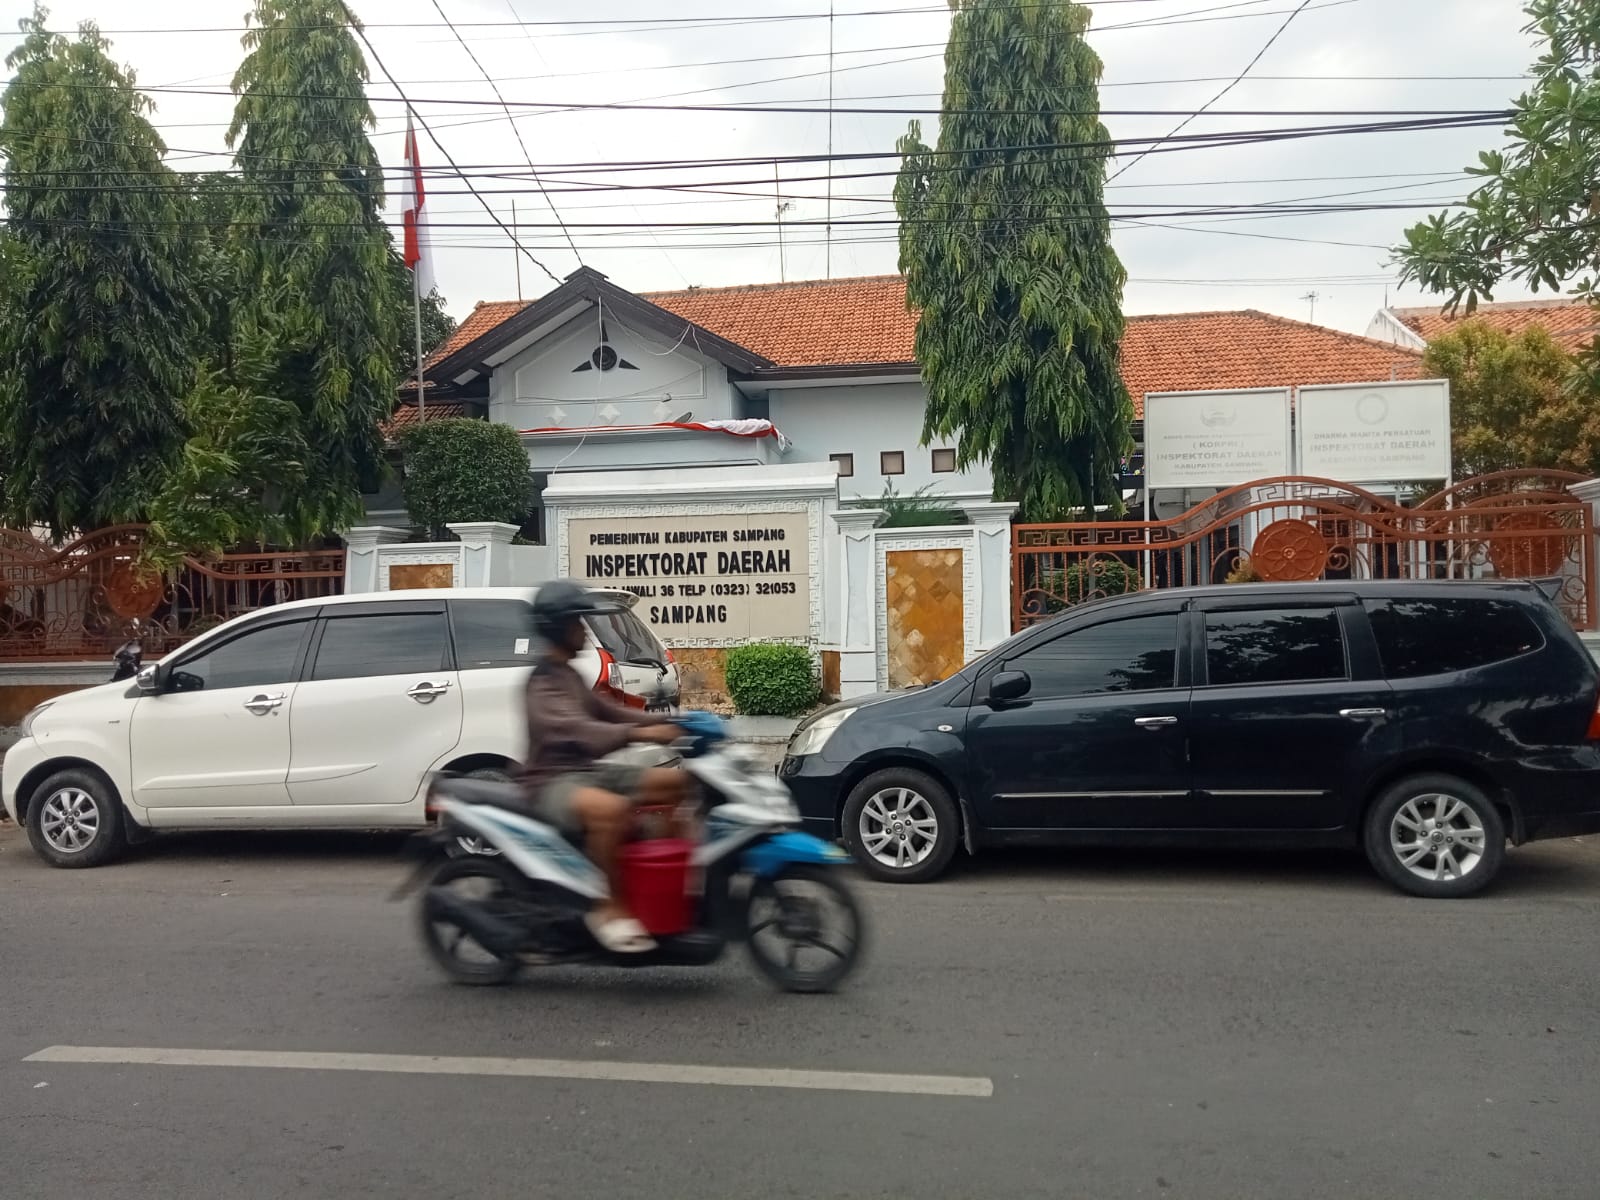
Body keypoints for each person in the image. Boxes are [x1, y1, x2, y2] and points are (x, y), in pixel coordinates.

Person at [516, 580, 683, 954]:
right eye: (578, 622)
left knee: (676, 784)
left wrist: (677, 722)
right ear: (559, 628)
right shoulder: (542, 683)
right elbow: (578, 729)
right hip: (551, 783)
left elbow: (608, 711)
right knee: (610, 811)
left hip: (586, 773)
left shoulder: (570, 675)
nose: (585, 630)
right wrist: (641, 735)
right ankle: (609, 908)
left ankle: (662, 884)